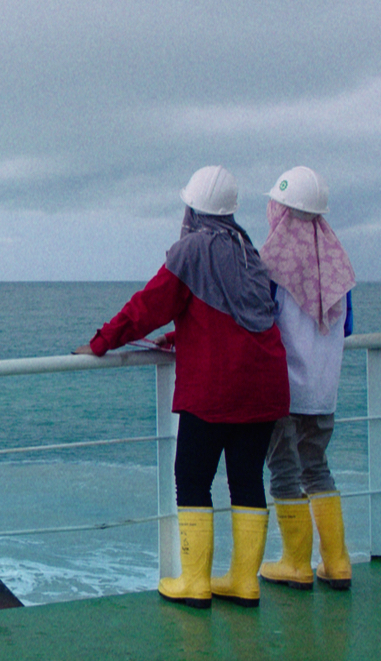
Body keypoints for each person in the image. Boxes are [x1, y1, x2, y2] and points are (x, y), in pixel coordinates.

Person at [76, 165, 290, 609]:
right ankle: (243, 582)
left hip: (217, 383)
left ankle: (194, 582)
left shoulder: (191, 249)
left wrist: (101, 342)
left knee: (191, 477)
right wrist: (181, 335)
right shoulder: (247, 249)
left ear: (191, 206)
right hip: (266, 380)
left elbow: (149, 305)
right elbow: (239, 314)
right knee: (247, 478)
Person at [255, 166, 357, 592]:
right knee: (317, 468)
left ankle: (295, 562)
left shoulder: (272, 265)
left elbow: (259, 318)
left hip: (285, 389)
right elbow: (347, 325)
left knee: (283, 469)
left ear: (281, 209)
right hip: (324, 390)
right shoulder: (337, 265)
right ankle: (337, 562)